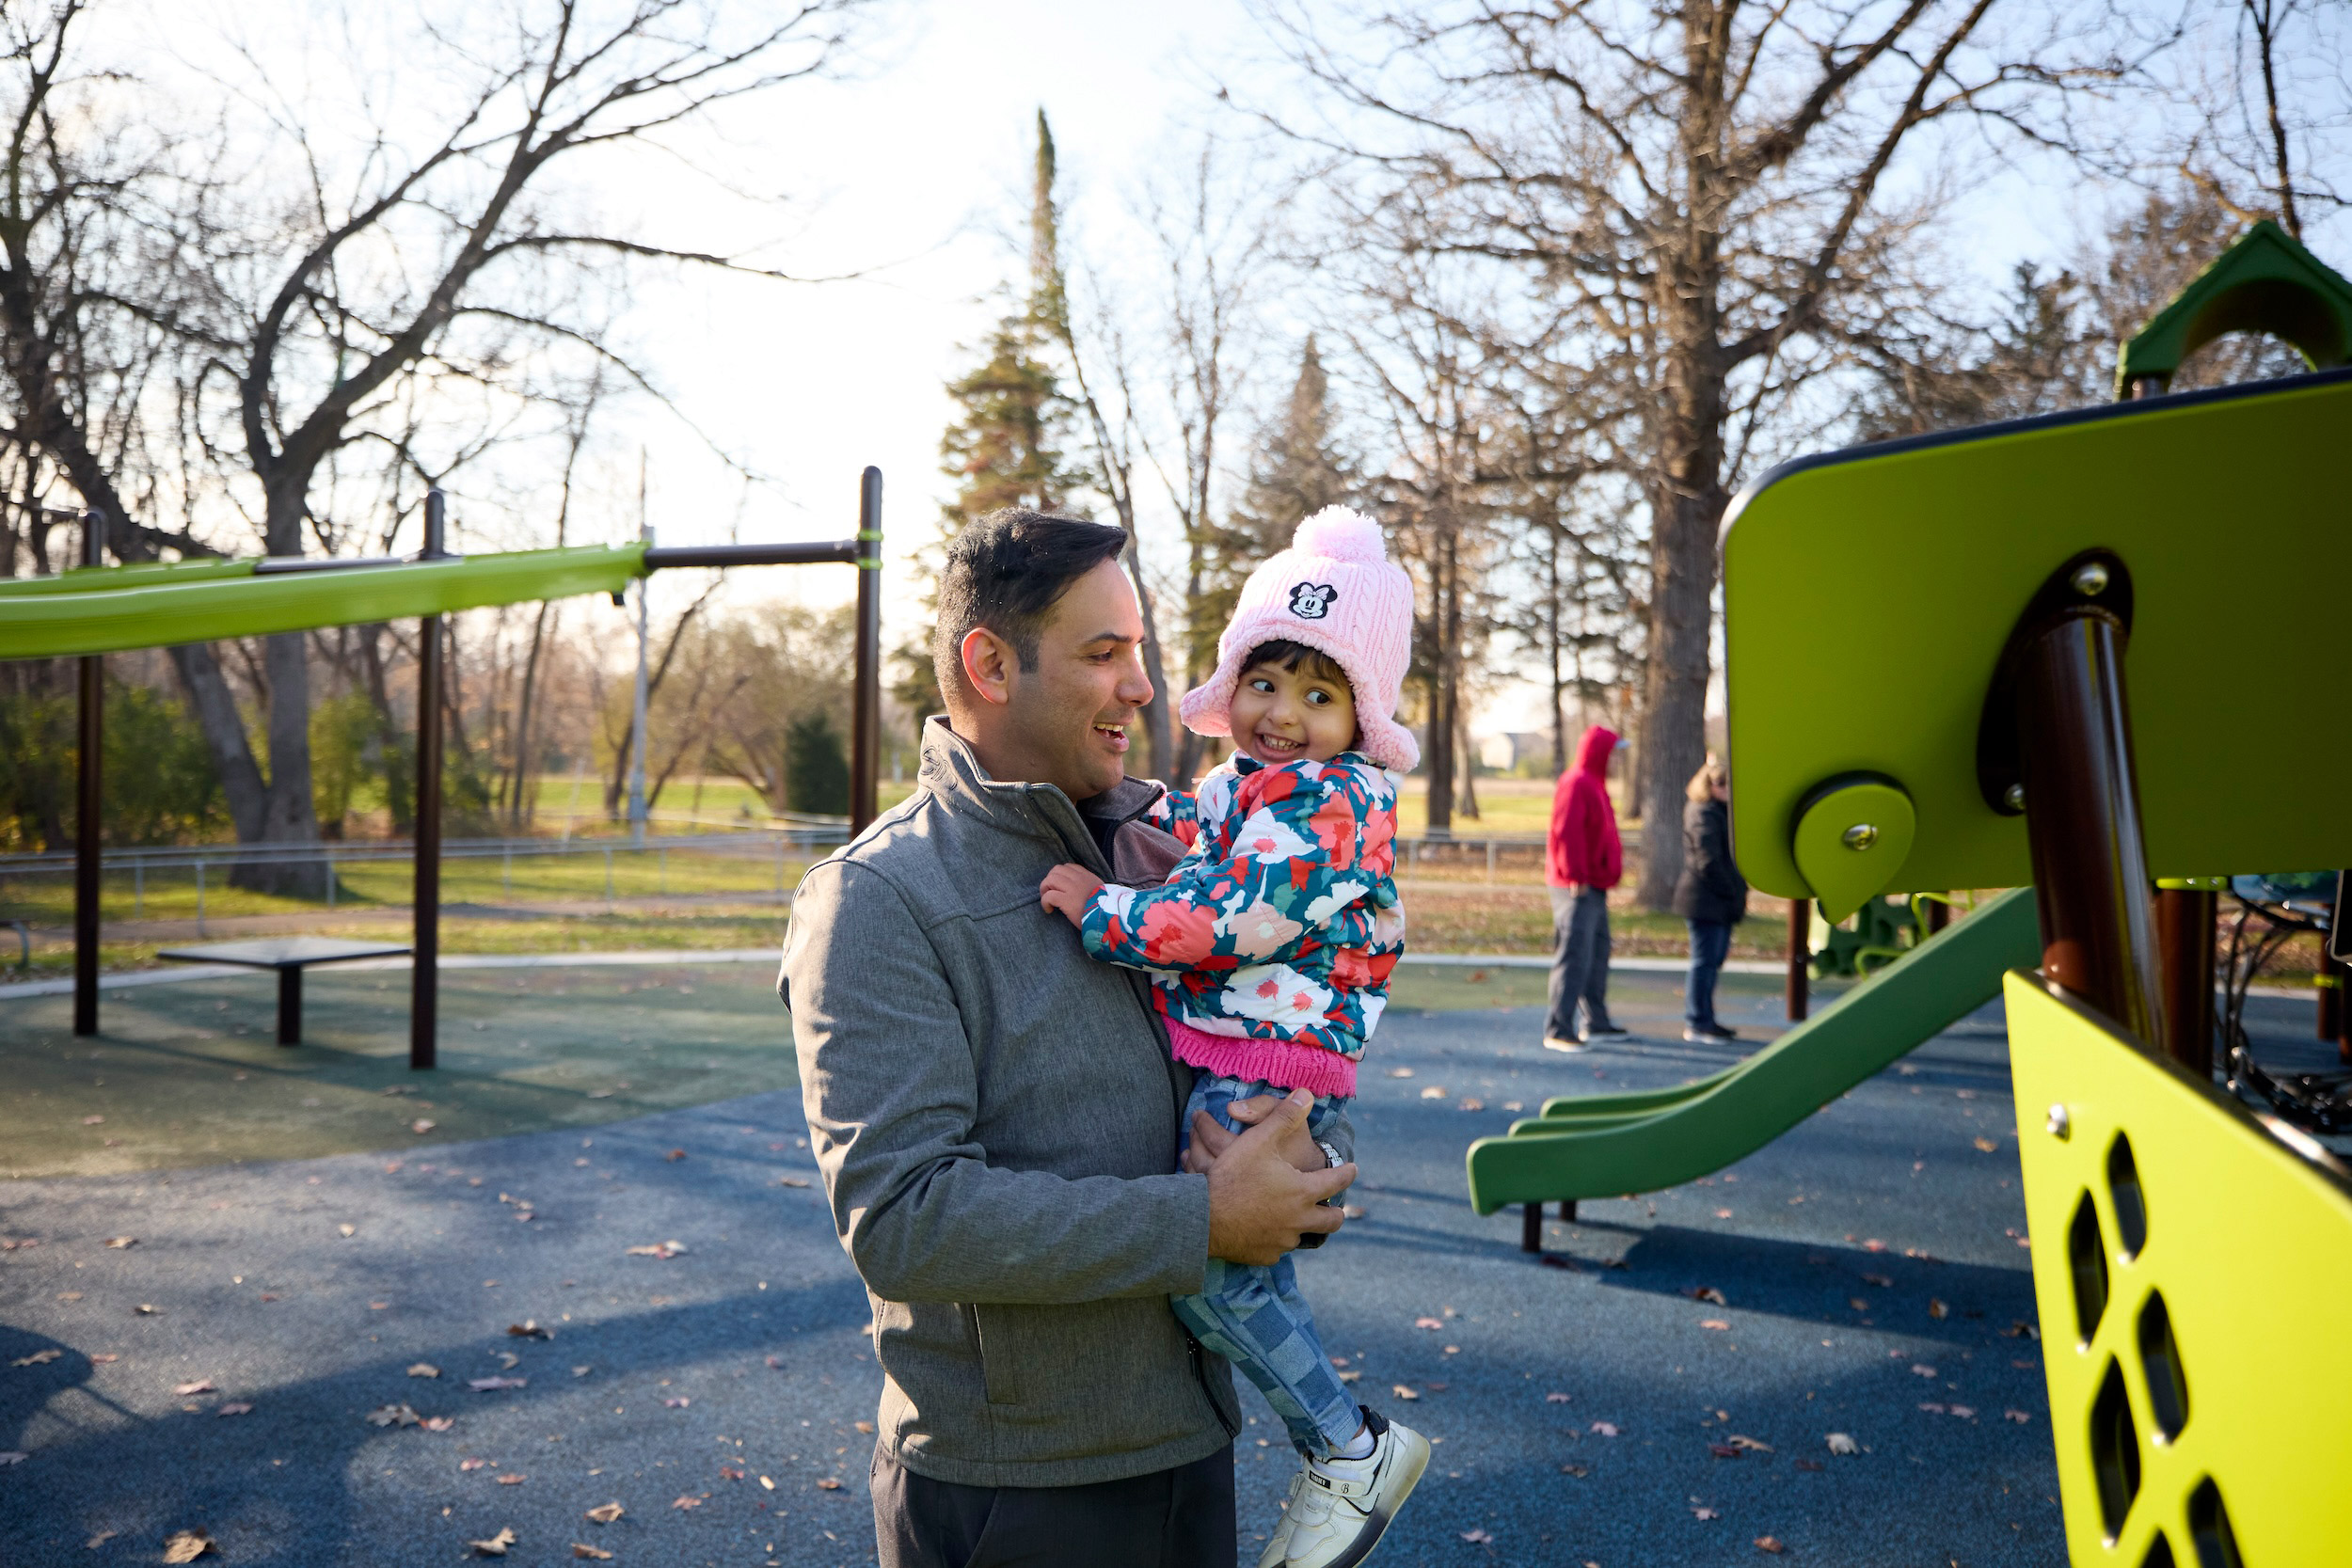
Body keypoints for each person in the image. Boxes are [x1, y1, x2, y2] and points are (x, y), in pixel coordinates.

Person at [780, 509, 1358, 1568]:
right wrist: (1203, 1217)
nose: (1142, 686)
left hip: (1193, 1451)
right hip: (1014, 1493)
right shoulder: (876, 897)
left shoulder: (1168, 854)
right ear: (990, 663)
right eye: (1104, 653)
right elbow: (904, 1219)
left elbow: (1248, 1079)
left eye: (1136, 651)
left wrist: (1293, 1178)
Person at [1038, 507, 1429, 1568]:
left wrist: (1102, 908)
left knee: (1209, 1271)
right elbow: (1207, 836)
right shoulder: (1247, 789)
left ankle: (1345, 1443)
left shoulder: (1338, 805)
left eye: (1319, 693)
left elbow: (1232, 918)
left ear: (1363, 712)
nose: (1283, 714)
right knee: (1247, 1274)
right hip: (1240, 1050)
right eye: (1265, 681)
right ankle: (1340, 1442)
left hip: (1269, 1064)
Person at [1544, 724, 1629, 1050]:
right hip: (1575, 885)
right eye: (1613, 752)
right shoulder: (1577, 782)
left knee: (1598, 950)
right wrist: (1576, 875)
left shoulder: (1594, 783)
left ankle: (1596, 1020)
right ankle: (1558, 1027)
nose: (1617, 759)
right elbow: (1567, 832)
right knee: (1575, 953)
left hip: (1593, 883)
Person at [1671, 755, 1748, 1044]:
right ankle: (1697, 1021)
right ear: (1708, 785)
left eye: (1728, 783)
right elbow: (1708, 859)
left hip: (1718, 898)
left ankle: (1705, 1018)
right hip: (1705, 898)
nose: (1726, 788)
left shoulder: (1719, 811)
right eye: (1720, 783)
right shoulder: (1703, 813)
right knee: (1704, 961)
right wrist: (1730, 888)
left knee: (1712, 961)